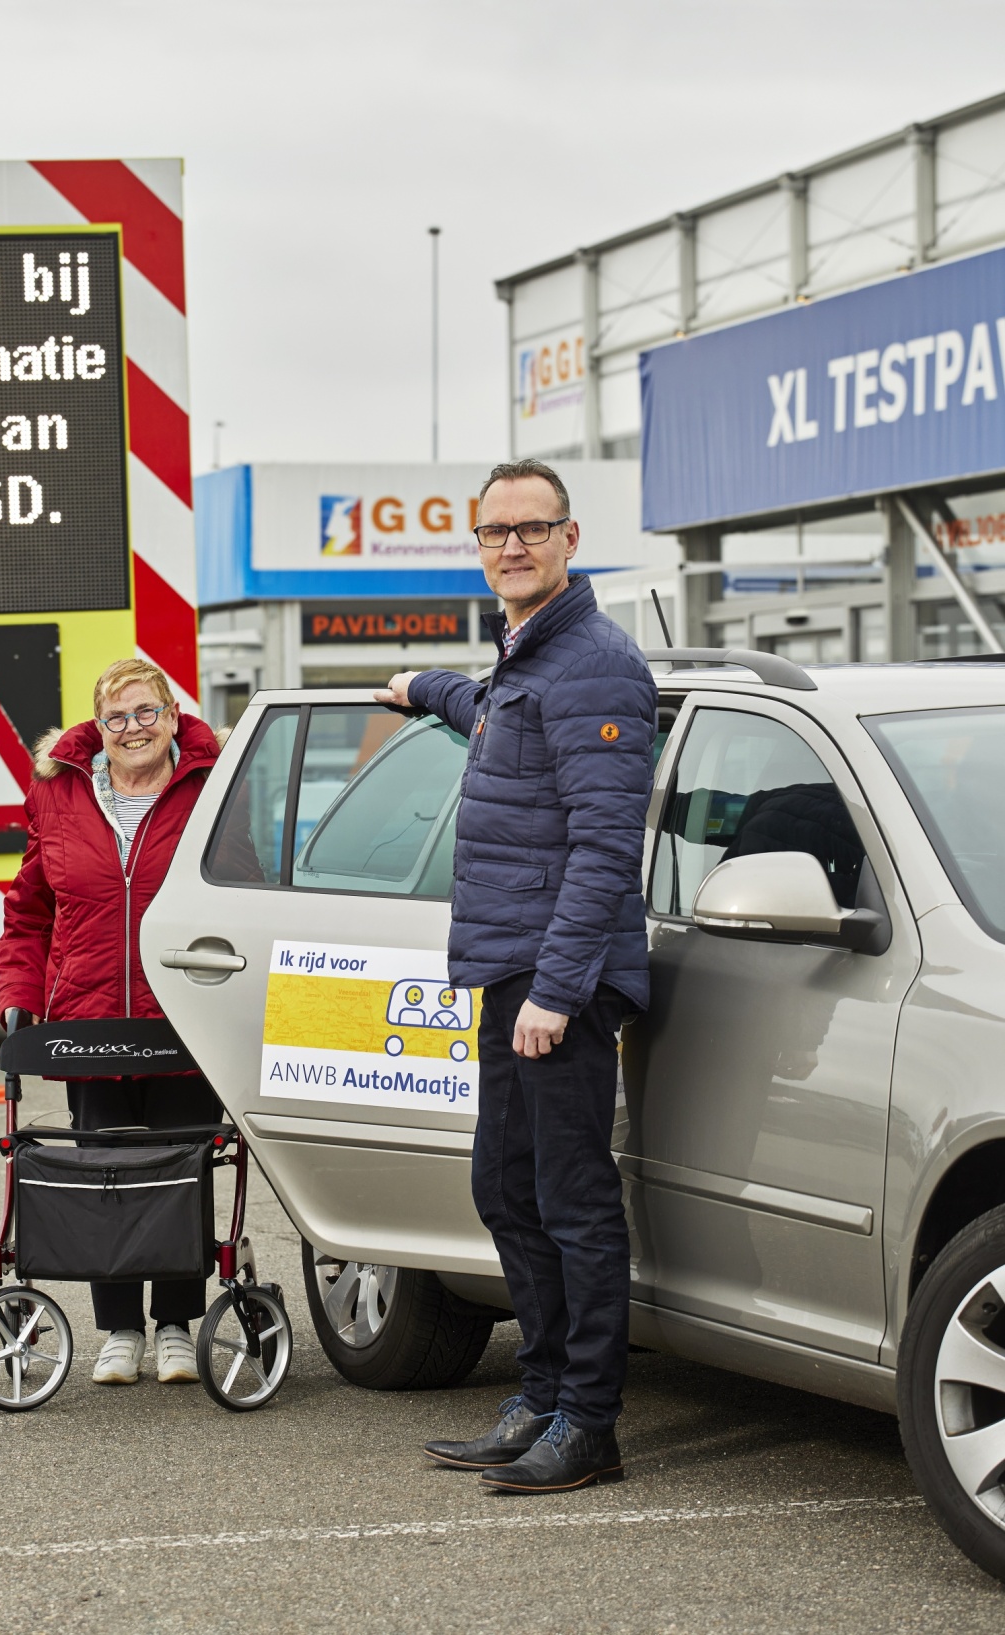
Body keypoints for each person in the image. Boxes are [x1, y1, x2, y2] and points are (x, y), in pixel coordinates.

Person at [374, 458, 657, 1494]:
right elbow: (491, 709)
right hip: (508, 970)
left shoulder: (594, 664)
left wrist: (555, 991)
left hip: (557, 985)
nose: (510, 546)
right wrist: (423, 687)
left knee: (572, 1201)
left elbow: (600, 848)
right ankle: (538, 1394)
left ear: (569, 539)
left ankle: (587, 1422)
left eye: (530, 529)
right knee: (503, 1187)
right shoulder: (527, 658)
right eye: (494, 532)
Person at [0, 658, 223, 1387]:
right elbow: (29, 909)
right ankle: (121, 1329)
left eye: (146, 712)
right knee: (104, 1175)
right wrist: (18, 992)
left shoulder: (210, 785)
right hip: (89, 1017)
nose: (133, 729)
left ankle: (179, 1327)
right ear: (99, 727)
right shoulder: (58, 792)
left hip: (184, 1014)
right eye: (118, 717)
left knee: (180, 1170)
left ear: (171, 714)